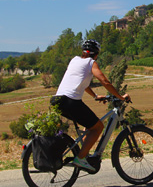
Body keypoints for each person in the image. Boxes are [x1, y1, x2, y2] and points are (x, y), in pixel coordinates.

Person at [50, 39, 130, 171]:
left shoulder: (74, 60)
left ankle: (82, 154)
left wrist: (95, 96)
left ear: (83, 51)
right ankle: (80, 159)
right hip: (71, 101)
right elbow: (104, 81)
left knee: (89, 126)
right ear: (96, 54)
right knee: (98, 127)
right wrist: (120, 96)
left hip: (57, 100)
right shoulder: (91, 63)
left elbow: (81, 82)